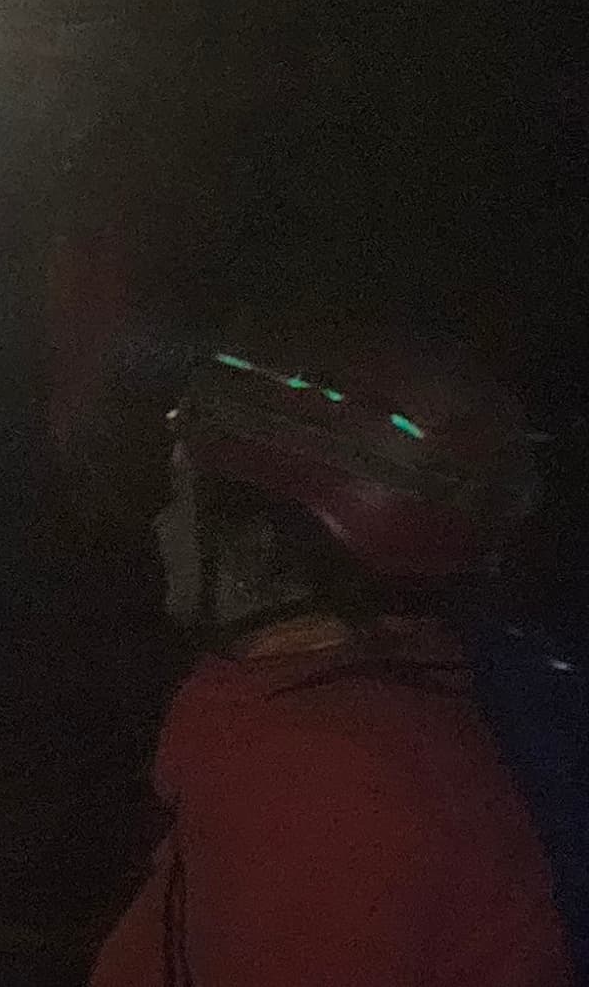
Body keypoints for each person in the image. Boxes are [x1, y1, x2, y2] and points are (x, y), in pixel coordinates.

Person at [90, 343, 570, 987]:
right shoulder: (379, 701)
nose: (160, 523)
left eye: (179, 494)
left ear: (258, 547)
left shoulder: (321, 776)